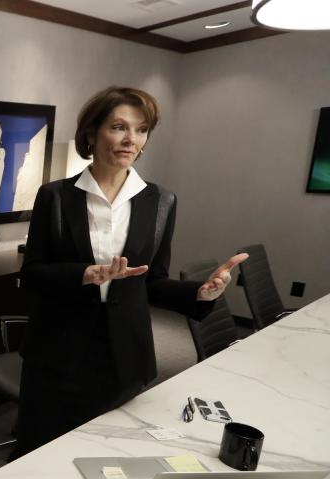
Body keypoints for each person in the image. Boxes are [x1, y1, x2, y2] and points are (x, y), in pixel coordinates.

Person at [14, 87, 247, 456]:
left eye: (141, 130)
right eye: (118, 127)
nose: (130, 140)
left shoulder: (161, 201)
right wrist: (85, 274)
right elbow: (33, 274)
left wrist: (201, 292)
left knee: (105, 454)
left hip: (123, 353)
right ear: (92, 133)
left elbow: (152, 281)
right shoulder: (55, 197)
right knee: (38, 449)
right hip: (58, 351)